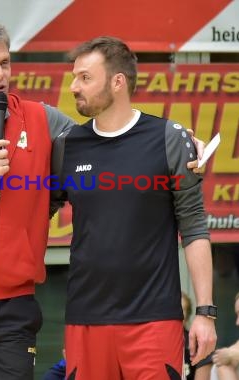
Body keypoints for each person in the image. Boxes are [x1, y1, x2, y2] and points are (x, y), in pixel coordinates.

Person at [0, 19, 205, 380]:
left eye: (4, 63)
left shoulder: (43, 120)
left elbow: (111, 141)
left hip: (14, 305)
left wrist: (181, 145)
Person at [52, 36, 217, 380]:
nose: (73, 87)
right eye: (73, 77)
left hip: (154, 319)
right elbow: (33, 219)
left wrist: (204, 312)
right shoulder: (67, 146)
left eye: (85, 77)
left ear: (117, 81)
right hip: (85, 320)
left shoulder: (170, 138)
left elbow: (194, 227)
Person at [182, 292, 213, 380]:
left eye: (182, 309)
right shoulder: (153, 341)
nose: (177, 313)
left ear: (187, 315)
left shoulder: (197, 343)